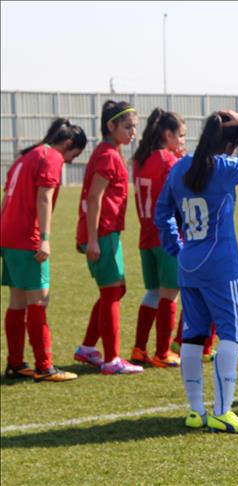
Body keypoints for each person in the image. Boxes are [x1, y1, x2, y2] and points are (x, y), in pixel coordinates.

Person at [155, 110, 238, 433]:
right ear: (231, 144)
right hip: (221, 266)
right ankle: (222, 411)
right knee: (232, 334)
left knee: (193, 335)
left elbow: (162, 212)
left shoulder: (180, 167)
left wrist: (175, 247)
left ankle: (196, 411)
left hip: (188, 264)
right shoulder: (224, 167)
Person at [1, 119, 87, 381]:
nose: (70, 161)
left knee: (17, 301)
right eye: (74, 155)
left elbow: (6, 197)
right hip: (28, 236)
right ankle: (44, 366)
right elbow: (44, 197)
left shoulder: (26, 156)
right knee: (39, 300)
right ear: (68, 144)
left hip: (9, 234)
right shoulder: (51, 156)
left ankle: (15, 363)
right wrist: (45, 239)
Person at [73, 101, 142, 375]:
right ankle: (112, 359)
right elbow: (94, 198)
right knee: (112, 291)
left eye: (134, 127)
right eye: (127, 127)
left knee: (115, 290)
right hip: (102, 233)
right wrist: (92, 239)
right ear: (110, 126)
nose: (133, 132)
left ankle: (88, 347)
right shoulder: (107, 155)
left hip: (106, 232)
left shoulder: (110, 152)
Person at [129, 108, 186, 368]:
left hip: (146, 235)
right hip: (167, 236)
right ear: (167, 134)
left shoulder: (140, 160)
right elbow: (179, 200)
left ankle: (139, 348)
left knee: (153, 292)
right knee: (170, 293)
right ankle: (162, 352)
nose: (182, 141)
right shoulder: (168, 161)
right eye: (180, 135)